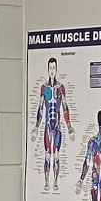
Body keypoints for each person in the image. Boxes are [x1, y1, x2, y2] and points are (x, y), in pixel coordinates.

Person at [33, 56, 73, 192]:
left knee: (56, 155)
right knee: (47, 155)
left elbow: (65, 107)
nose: (52, 70)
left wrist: (69, 126)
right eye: (50, 68)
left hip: (57, 127)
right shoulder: (44, 88)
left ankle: (55, 182)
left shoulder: (60, 88)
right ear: (48, 69)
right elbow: (40, 108)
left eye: (54, 68)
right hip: (47, 126)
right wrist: (36, 126)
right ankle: (46, 182)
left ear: (56, 69)